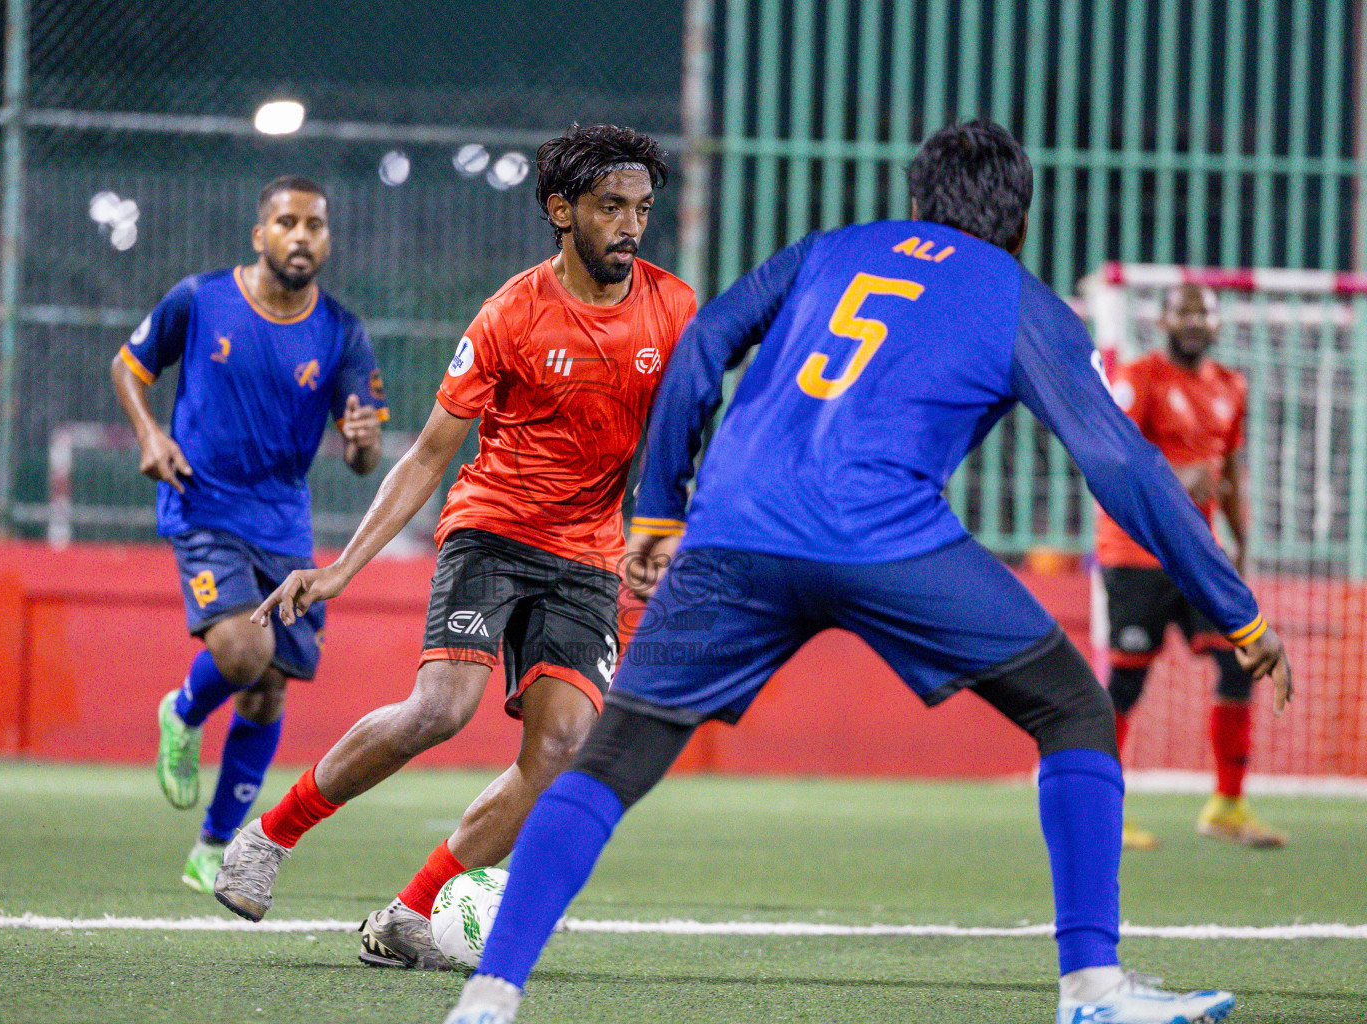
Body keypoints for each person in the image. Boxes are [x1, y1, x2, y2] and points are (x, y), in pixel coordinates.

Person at [441, 121, 1293, 1024]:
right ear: (1020, 223)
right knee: (1074, 709)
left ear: (917, 200)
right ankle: (1092, 988)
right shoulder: (1019, 298)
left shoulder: (830, 250)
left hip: (733, 538)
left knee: (613, 758)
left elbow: (703, 344)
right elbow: (1120, 464)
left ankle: (489, 997)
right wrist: (1234, 610)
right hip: (889, 542)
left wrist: (659, 508)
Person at [213, 124, 696, 971]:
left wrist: (666, 533)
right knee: (440, 709)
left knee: (561, 752)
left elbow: (683, 435)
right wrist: (341, 568)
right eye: (611, 207)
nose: (630, 226)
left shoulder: (673, 307)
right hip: (493, 530)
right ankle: (270, 836)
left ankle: (409, 914)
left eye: (642, 209)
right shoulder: (512, 313)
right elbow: (429, 453)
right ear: (562, 210)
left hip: (588, 553)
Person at [111, 175, 387, 893]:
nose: (302, 236)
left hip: (283, 524)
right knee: (243, 649)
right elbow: (128, 367)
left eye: (315, 225)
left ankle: (211, 848)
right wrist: (149, 435)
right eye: (288, 222)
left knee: (267, 692)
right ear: (261, 233)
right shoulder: (200, 299)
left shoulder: (342, 332)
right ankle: (183, 711)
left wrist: (362, 443)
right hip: (202, 504)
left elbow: (363, 460)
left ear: (327, 239)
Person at [1096, 284, 1285, 851]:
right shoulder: (1139, 378)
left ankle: (1227, 805)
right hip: (1136, 553)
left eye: (1204, 312)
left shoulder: (1231, 386)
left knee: (1240, 662)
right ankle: (1100, 811)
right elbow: (1110, 459)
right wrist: (1179, 480)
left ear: (1218, 324)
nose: (1195, 321)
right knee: (1127, 680)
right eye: (1184, 311)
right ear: (1163, 320)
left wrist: (1240, 547)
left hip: (1198, 556)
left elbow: (1229, 472)